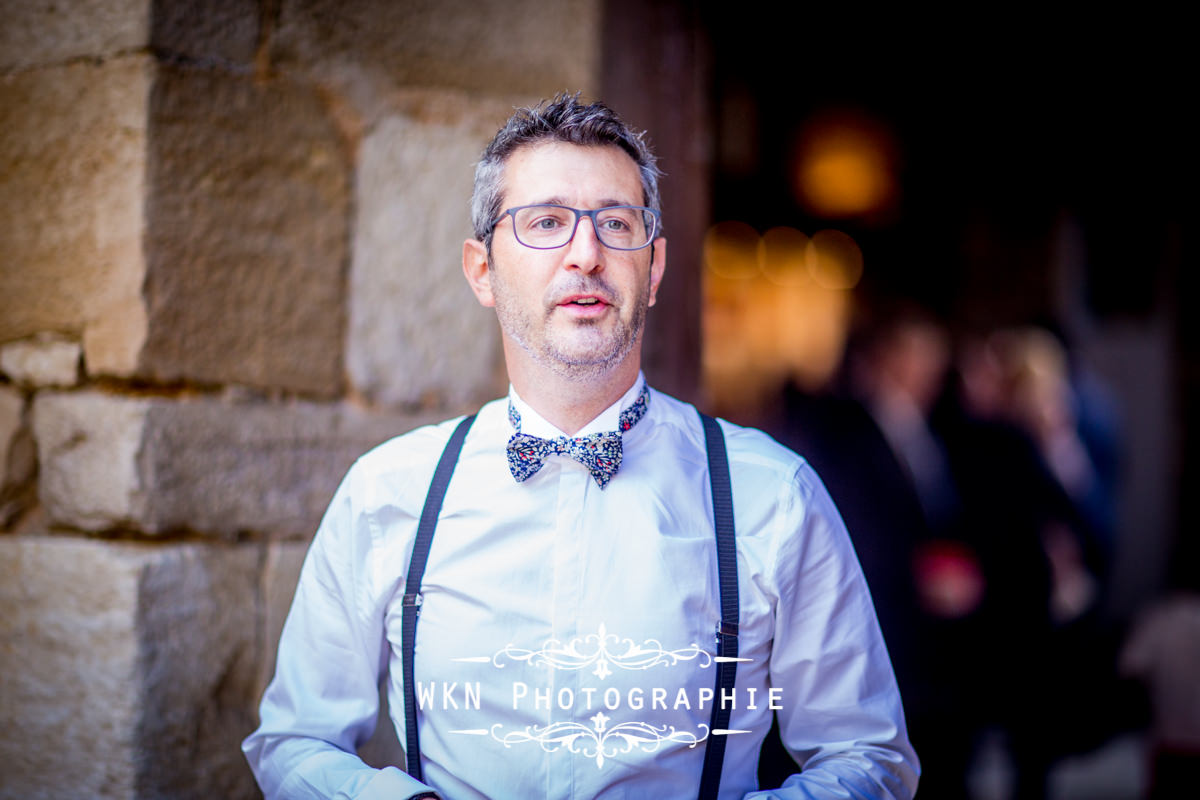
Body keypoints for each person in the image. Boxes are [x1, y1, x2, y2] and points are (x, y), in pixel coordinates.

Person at [243, 94, 918, 800]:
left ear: (653, 270)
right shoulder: (387, 492)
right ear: (482, 271)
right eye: (546, 222)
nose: (587, 254)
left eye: (616, 224)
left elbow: (870, 759)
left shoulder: (774, 495)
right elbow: (295, 741)